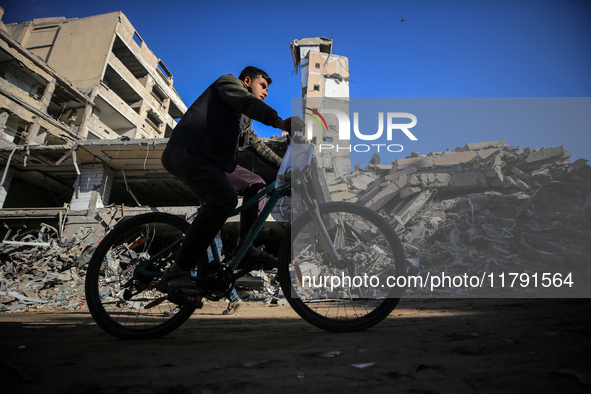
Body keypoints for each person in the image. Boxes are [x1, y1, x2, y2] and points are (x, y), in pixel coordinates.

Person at [158, 66, 298, 314]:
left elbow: (255, 144)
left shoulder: (244, 119)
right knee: (225, 199)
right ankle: (178, 270)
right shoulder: (228, 84)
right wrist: (279, 122)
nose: (265, 93)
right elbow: (247, 102)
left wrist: (286, 168)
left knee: (256, 183)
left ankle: (247, 246)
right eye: (262, 86)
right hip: (190, 154)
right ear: (247, 81)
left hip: (214, 164)